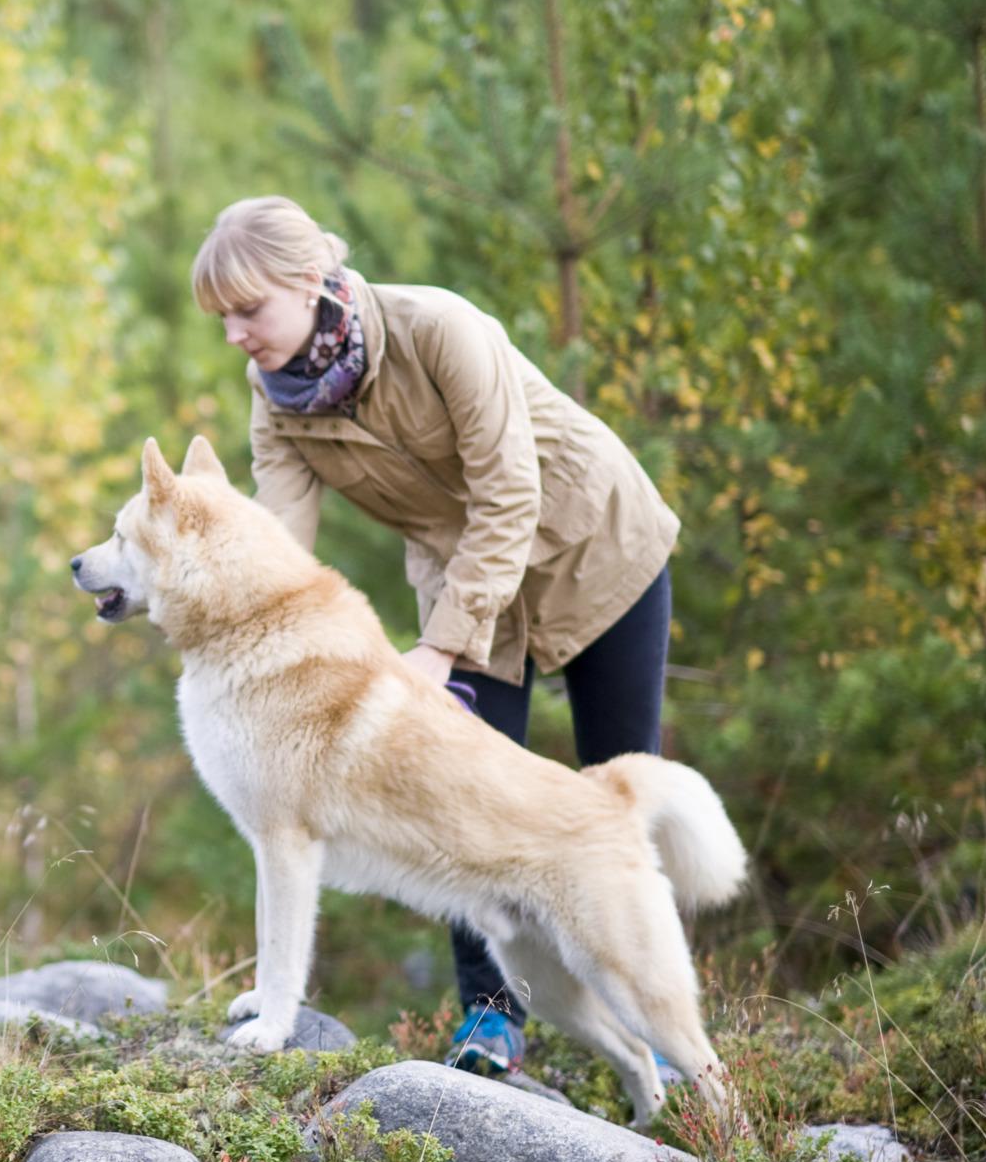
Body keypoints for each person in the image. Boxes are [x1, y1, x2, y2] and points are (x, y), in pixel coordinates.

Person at [191, 195, 680, 1080]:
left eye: (247, 309)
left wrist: (438, 650)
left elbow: (509, 497)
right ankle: (492, 1025)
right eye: (222, 317)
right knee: (455, 799)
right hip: (465, 589)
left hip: (595, 551)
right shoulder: (277, 402)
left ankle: (660, 1039)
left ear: (309, 281)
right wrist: (217, 624)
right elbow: (277, 551)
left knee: (611, 814)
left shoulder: (441, 329)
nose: (235, 334)